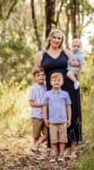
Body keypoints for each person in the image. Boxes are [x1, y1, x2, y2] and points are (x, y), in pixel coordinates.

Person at [34, 28, 82, 159]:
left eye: (59, 38)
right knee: (54, 116)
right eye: (55, 37)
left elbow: (77, 65)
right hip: (52, 90)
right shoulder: (41, 55)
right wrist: (38, 90)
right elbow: (37, 73)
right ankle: (54, 149)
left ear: (62, 40)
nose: (57, 40)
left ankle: (72, 149)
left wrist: (78, 70)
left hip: (69, 87)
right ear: (50, 38)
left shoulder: (66, 52)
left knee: (72, 115)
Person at [42, 72, 72, 162]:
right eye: (54, 80)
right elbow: (44, 106)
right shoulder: (47, 94)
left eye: (59, 80)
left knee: (63, 138)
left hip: (63, 120)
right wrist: (45, 118)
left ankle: (61, 154)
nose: (56, 82)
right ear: (50, 82)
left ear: (62, 82)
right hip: (52, 121)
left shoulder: (65, 94)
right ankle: (54, 154)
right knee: (53, 139)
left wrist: (69, 119)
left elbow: (68, 106)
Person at [28, 66, 48, 152]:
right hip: (36, 115)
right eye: (38, 75)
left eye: (42, 75)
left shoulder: (47, 87)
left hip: (46, 115)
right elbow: (31, 103)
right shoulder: (33, 89)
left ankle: (36, 145)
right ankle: (36, 150)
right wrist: (42, 104)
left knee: (47, 134)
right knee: (36, 135)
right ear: (34, 78)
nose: (41, 77)